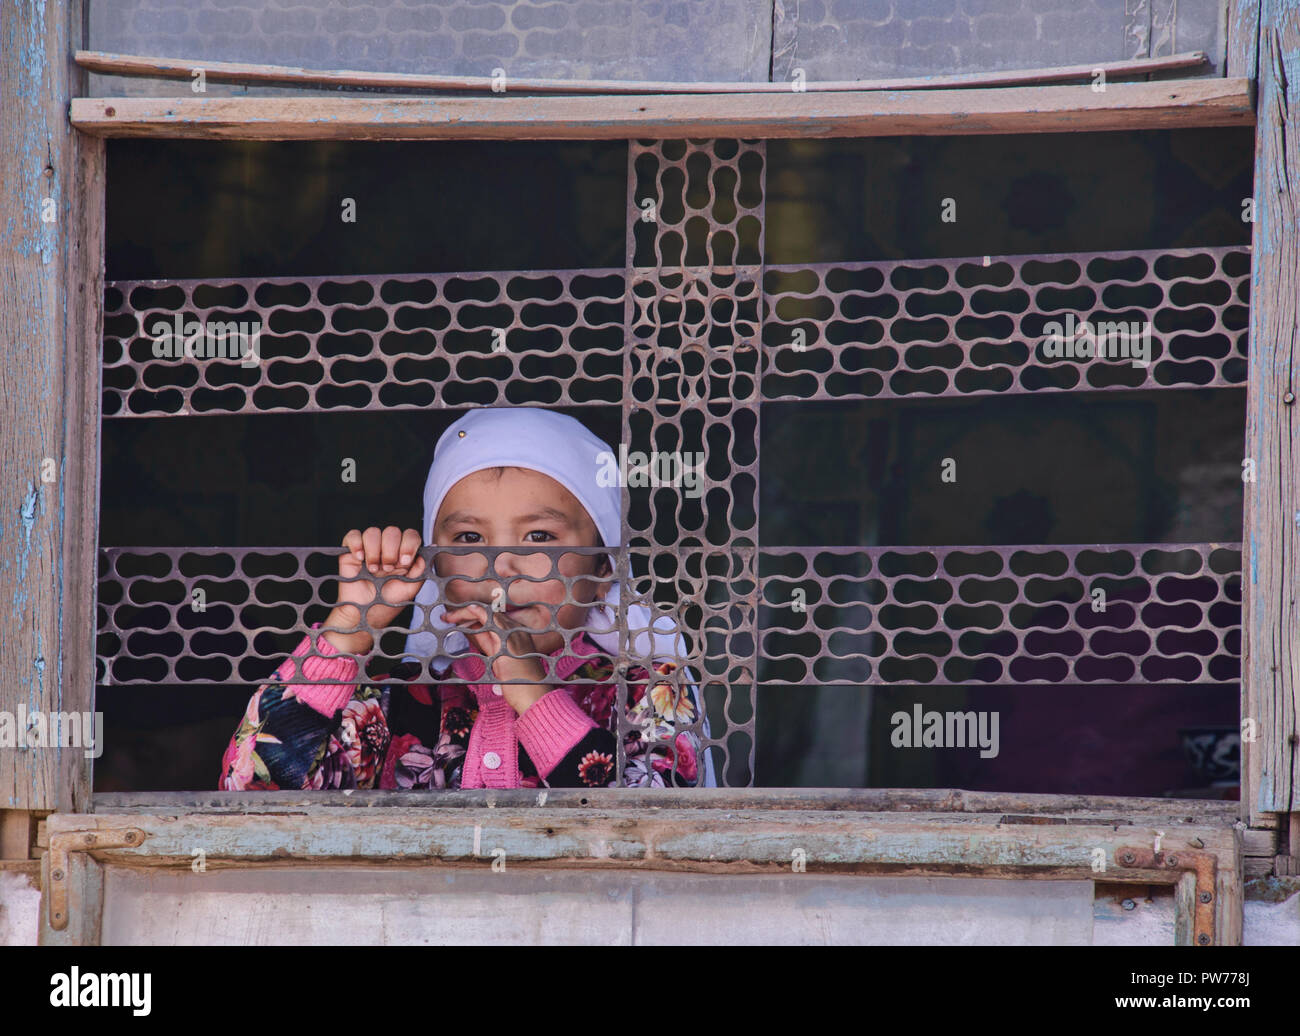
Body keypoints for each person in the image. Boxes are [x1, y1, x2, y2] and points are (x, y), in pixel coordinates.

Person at [219, 407, 714, 790]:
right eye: (470, 540)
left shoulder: (648, 692)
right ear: (436, 568)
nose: (500, 566)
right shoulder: (398, 702)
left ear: (603, 566)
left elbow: (653, 832)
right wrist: (350, 628)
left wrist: (530, 689)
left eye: (539, 537)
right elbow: (251, 790)